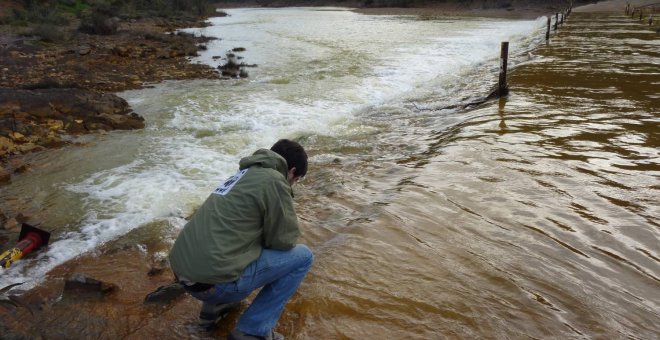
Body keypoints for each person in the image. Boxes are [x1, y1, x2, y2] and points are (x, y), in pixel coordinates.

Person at [168, 139, 313, 340]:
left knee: (234, 242)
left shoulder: (240, 176)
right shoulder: (275, 180)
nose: (293, 184)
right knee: (303, 256)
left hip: (182, 272)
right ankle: (253, 330)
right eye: (296, 180)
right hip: (213, 285)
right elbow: (284, 241)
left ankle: (215, 308)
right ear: (291, 172)